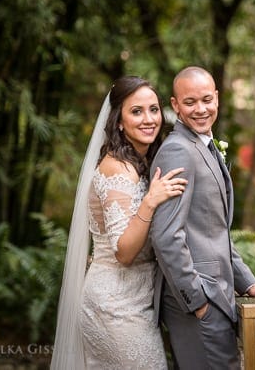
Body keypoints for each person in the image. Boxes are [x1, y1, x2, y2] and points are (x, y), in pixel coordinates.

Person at [50, 76, 188, 369]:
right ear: (119, 122)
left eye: (153, 109)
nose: (149, 119)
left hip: (133, 303)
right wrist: (150, 201)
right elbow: (124, 252)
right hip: (115, 306)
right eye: (136, 111)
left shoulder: (141, 163)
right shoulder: (118, 170)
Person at [150, 66, 255, 370]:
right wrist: (197, 302)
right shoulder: (178, 151)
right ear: (175, 105)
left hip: (219, 296)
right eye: (190, 102)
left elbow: (213, 230)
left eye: (206, 100)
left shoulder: (203, 146)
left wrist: (246, 283)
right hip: (198, 302)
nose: (200, 109)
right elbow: (166, 236)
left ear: (217, 98)